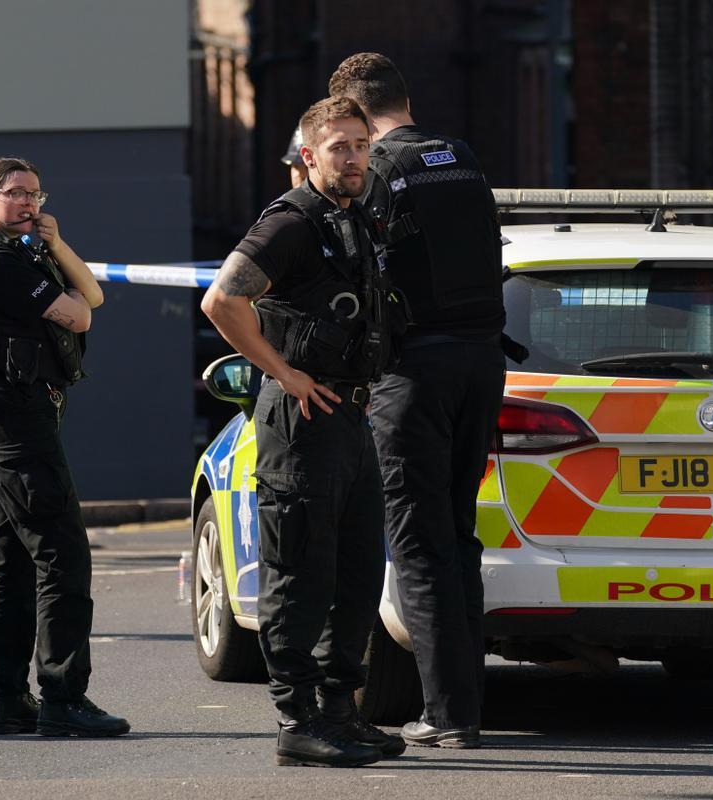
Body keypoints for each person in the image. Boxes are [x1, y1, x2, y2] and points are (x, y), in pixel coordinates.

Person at [201, 97, 406, 768]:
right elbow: (222, 300)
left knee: (355, 572)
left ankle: (340, 713)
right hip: (300, 421)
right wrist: (282, 373)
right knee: (300, 574)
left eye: (360, 144)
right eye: (338, 147)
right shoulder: (289, 223)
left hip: (352, 416)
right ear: (309, 155)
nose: (352, 157)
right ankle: (297, 720)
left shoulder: (359, 216)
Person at [329, 52, 507, 749]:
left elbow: (357, 264)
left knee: (419, 545)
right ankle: (465, 704)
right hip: (482, 362)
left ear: (355, 113)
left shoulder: (379, 171)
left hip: (417, 372)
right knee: (457, 537)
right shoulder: (461, 157)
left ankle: (447, 714)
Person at [0, 157, 129, 738]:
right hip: (10, 411)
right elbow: (80, 313)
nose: (29, 204)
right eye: (15, 194)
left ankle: (6, 698)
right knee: (61, 550)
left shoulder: (13, 249)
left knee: (14, 555)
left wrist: (57, 241)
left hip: (13, 408)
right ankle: (62, 696)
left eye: (35, 193)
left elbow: (91, 293)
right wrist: (55, 266)